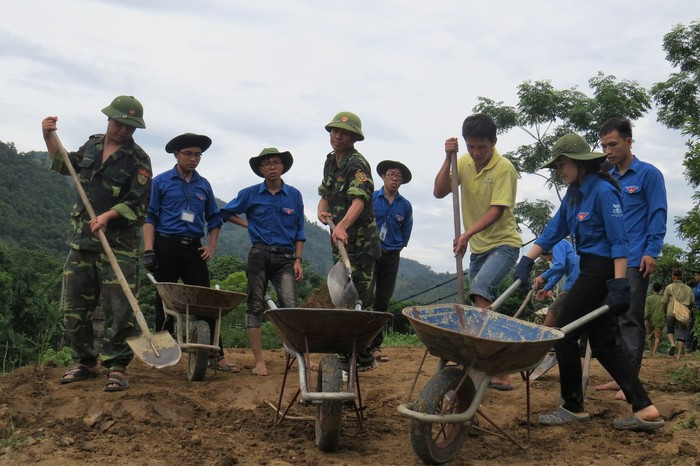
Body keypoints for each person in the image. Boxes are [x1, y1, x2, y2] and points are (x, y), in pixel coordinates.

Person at [514, 133, 664, 431]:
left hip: (602, 269)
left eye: (562, 164)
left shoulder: (603, 191)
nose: (559, 170)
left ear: (579, 163)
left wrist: (619, 284)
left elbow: (619, 240)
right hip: (590, 269)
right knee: (604, 343)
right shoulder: (574, 193)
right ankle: (645, 407)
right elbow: (553, 229)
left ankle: (572, 406)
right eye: (556, 166)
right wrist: (527, 260)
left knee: (564, 333)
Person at [42, 95, 151, 392]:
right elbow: (63, 164)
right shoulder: (91, 146)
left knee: (119, 308)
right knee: (74, 307)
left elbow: (137, 203)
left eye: (131, 127)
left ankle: (116, 365)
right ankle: (85, 361)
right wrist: (48, 135)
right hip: (82, 241)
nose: (124, 130)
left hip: (119, 245)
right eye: (120, 124)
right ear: (109, 119)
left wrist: (109, 215)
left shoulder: (139, 159)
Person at [433, 113, 521, 389]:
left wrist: (467, 233)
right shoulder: (464, 162)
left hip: (504, 244)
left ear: (494, 142)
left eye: (482, 147)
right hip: (479, 249)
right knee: (480, 303)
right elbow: (439, 191)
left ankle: (499, 369)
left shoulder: (504, 169)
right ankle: (478, 359)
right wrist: (449, 159)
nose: (476, 152)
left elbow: (497, 211)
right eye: (471, 146)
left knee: (481, 289)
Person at [143, 133, 236, 372]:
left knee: (205, 299)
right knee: (164, 298)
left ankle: (216, 354)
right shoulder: (161, 182)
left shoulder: (203, 185)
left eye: (198, 155)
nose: (193, 159)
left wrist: (212, 246)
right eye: (188, 154)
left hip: (194, 246)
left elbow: (215, 220)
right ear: (177, 155)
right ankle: (162, 352)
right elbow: (150, 217)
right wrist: (149, 249)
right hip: (166, 244)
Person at [595, 118, 667, 398]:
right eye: (603, 145)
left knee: (630, 317)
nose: (608, 150)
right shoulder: (606, 177)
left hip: (637, 258)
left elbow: (658, 213)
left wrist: (652, 251)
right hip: (609, 259)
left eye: (612, 144)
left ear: (628, 141)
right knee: (609, 317)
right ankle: (620, 376)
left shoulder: (649, 175)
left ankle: (630, 381)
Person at [221, 148, 305, 376]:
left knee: (291, 308)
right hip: (259, 254)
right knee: (255, 306)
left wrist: (298, 260)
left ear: (283, 166)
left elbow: (300, 231)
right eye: (266, 164)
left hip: (286, 258)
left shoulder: (294, 195)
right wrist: (248, 225)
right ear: (260, 170)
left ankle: (297, 358)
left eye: (276, 163)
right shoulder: (249, 194)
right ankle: (259, 361)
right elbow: (225, 213)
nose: (272, 167)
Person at [317, 111, 381, 371]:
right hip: (340, 240)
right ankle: (354, 354)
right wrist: (322, 211)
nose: (337, 136)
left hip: (361, 242)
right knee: (341, 294)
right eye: (334, 131)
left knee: (359, 299)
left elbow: (359, 199)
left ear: (354, 137)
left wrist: (342, 225)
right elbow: (325, 193)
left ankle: (359, 354)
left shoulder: (358, 164)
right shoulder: (331, 162)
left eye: (343, 132)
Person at [369, 160, 414, 363]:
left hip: (391, 256)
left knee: (382, 301)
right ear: (383, 177)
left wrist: (395, 247)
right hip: (369, 254)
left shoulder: (405, 206)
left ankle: (374, 346)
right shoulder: (370, 199)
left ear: (402, 181)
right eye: (391, 174)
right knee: (364, 298)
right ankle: (359, 344)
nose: (394, 178)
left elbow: (406, 233)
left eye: (398, 176)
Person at [533, 239, 580, 327]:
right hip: (579, 280)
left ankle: (545, 339)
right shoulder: (566, 246)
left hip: (575, 281)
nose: (547, 260)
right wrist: (546, 289)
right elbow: (560, 271)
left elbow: (559, 266)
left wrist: (542, 276)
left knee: (553, 310)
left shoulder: (558, 242)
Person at [661, 269, 695, 359]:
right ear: (682, 276)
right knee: (682, 333)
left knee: (670, 330)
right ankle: (679, 354)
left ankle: (672, 344)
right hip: (683, 313)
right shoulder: (688, 289)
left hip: (671, 311)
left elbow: (664, 301)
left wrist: (662, 311)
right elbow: (692, 301)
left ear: (673, 276)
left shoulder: (669, 287)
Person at [644, 282, 665, 355]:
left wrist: (645, 319)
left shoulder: (648, 298)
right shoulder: (662, 298)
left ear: (653, 288)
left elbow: (647, 312)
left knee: (650, 337)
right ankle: (654, 352)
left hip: (650, 320)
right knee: (657, 336)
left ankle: (650, 351)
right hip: (659, 320)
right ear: (660, 289)